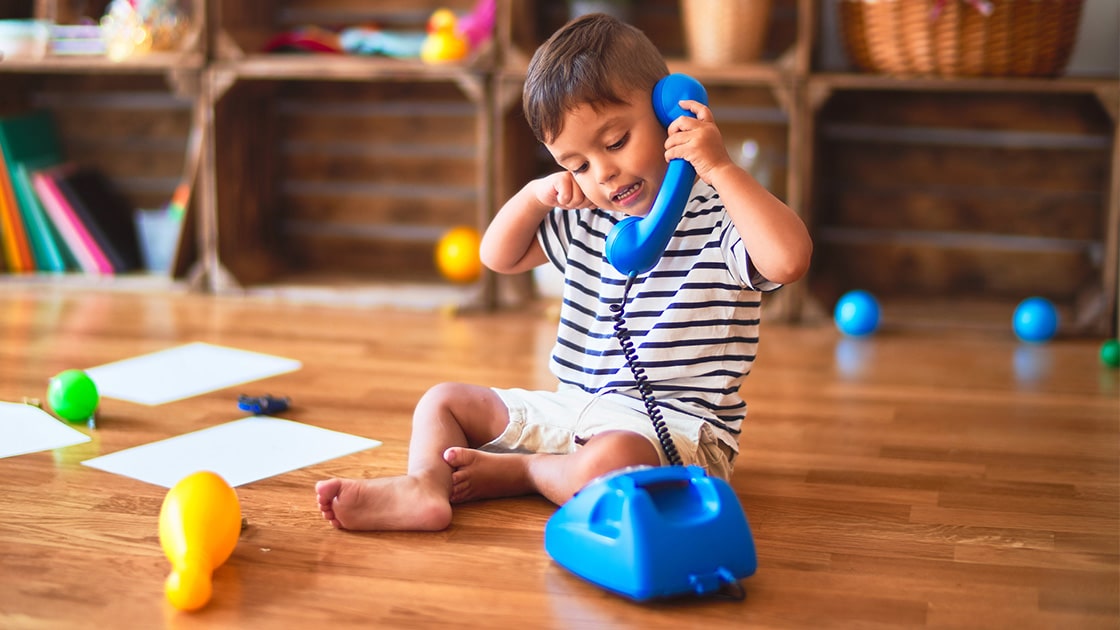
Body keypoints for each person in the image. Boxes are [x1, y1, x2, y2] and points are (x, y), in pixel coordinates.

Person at [315, 13, 812, 531]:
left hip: (671, 434)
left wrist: (721, 169)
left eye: (616, 141)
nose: (602, 173)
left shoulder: (723, 214)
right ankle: (423, 485)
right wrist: (534, 196)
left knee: (612, 462)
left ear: (672, 110)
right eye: (577, 164)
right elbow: (497, 256)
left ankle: (528, 472)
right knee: (442, 403)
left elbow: (788, 260)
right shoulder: (590, 218)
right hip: (572, 408)